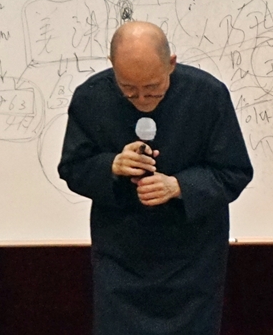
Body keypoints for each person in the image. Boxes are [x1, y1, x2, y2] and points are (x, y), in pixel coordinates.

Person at [58, 21, 253, 335]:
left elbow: (234, 171)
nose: (141, 98)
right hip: (120, 256)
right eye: (128, 89)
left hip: (193, 259)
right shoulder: (91, 97)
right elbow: (73, 167)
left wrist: (179, 186)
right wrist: (112, 165)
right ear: (112, 67)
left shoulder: (207, 95)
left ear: (171, 63)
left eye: (152, 87)